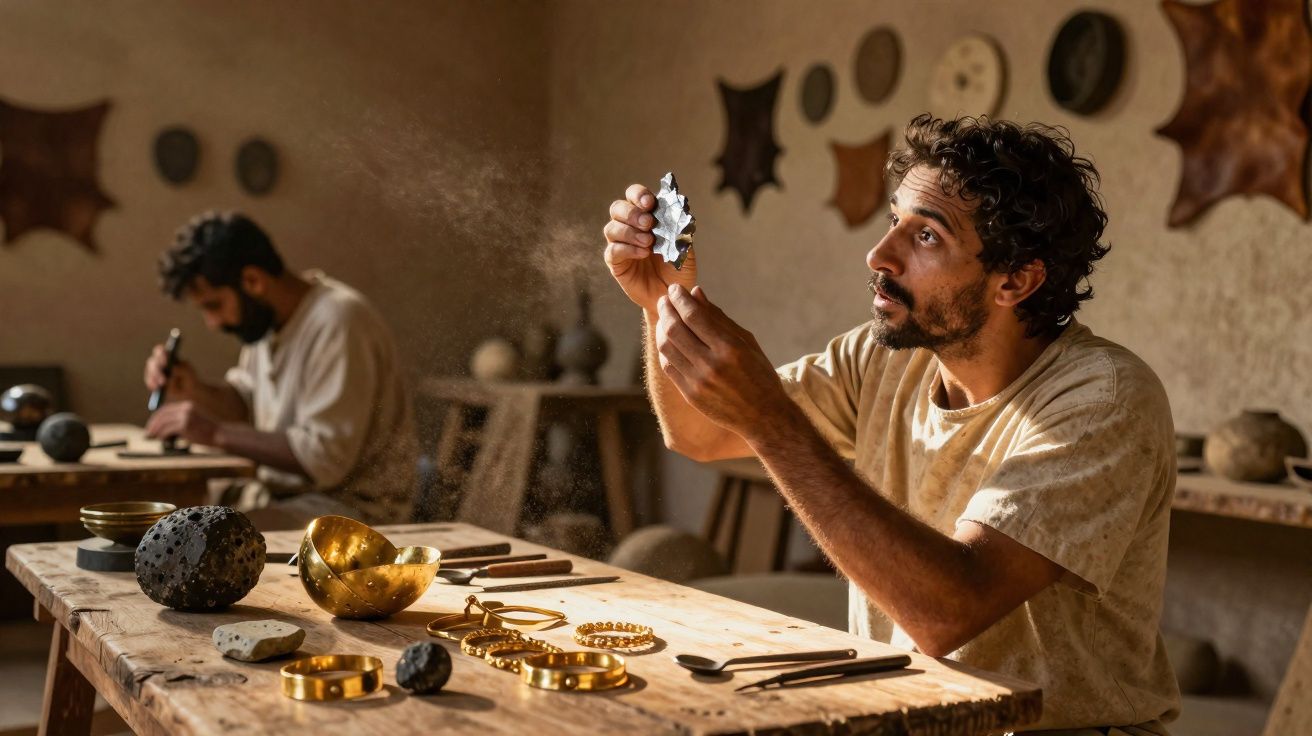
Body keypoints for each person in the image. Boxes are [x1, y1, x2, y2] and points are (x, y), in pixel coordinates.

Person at [602, 115, 1179, 733]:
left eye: (927, 236)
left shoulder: (1103, 399)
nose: (880, 255)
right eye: (894, 222)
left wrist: (772, 420)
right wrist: (662, 301)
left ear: (1016, 279)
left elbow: (947, 612)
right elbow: (701, 434)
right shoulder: (883, 358)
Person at [144, 211, 417, 528]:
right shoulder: (267, 324)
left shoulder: (339, 321)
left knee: (196, 536)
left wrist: (213, 433)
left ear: (253, 280)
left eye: (214, 305)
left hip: (352, 512)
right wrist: (194, 390)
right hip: (286, 498)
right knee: (166, 515)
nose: (213, 323)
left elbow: (324, 460)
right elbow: (246, 409)